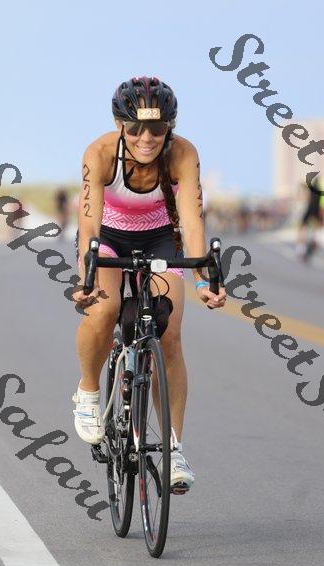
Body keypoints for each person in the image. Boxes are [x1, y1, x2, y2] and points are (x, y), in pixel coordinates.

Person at [72, 76, 227, 493]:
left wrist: (203, 277)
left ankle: (173, 449)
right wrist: (87, 275)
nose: (146, 138)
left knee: (170, 334)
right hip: (108, 236)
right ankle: (88, 390)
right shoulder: (100, 153)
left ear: (169, 127)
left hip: (160, 236)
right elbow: (89, 224)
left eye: (157, 128)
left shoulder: (183, 154)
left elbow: (192, 221)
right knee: (104, 309)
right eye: (136, 127)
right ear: (119, 124)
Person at [295, 180, 324, 258]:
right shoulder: (320, 191)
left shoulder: (312, 189)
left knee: (302, 226)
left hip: (310, 209)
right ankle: (315, 241)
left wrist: (301, 184)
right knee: (316, 228)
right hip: (317, 211)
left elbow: (305, 186)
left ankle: (300, 247)